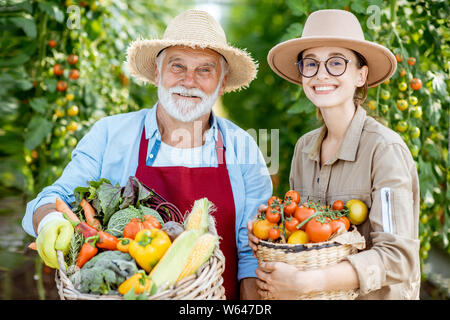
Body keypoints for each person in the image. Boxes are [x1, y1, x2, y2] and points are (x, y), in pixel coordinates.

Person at [22, 9, 272, 300]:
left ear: (222, 82)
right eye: (177, 66)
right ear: (157, 72)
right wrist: (51, 220)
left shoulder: (244, 148)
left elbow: (253, 254)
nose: (189, 81)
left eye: (205, 69)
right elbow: (53, 198)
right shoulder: (109, 136)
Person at [247, 9, 420, 299]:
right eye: (311, 64)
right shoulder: (304, 148)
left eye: (336, 63)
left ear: (360, 75)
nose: (322, 74)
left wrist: (309, 282)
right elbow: (304, 229)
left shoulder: (384, 150)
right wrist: (270, 230)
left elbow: (397, 257)